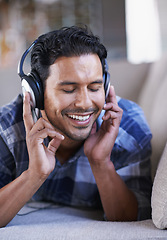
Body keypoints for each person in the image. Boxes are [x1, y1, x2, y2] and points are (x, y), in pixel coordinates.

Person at [0, 25, 152, 227]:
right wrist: (34, 175)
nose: (85, 103)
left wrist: (101, 163)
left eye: (95, 87)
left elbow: (132, 221)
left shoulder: (129, 128)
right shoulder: (6, 129)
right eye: (69, 90)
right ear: (36, 93)